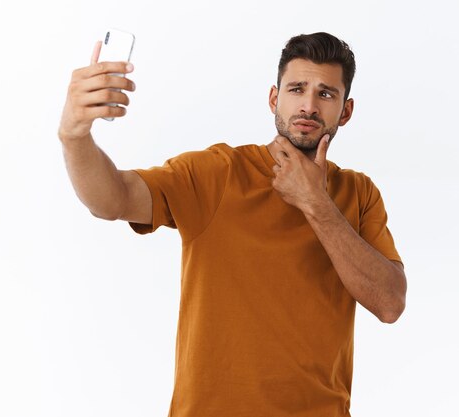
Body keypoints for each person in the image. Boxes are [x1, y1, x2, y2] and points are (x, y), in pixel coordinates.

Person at [58, 32, 407, 417]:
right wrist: (74, 136)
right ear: (274, 98)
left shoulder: (359, 193)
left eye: (326, 94)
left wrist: (315, 202)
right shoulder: (218, 173)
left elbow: (390, 304)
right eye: (296, 89)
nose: (308, 105)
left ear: (346, 110)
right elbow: (112, 199)